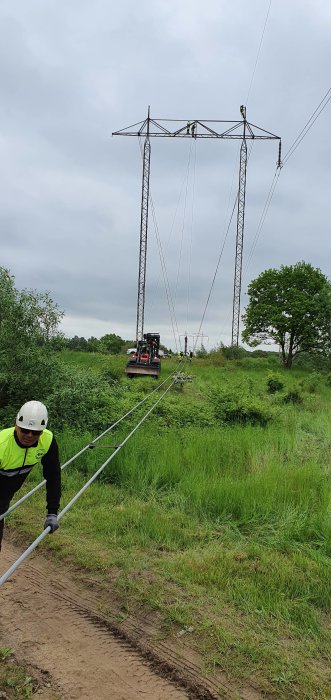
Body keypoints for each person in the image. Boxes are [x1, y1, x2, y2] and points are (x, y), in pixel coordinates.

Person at [0, 401, 61, 552]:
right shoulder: (1, 444)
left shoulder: (47, 441)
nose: (29, 435)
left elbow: (53, 477)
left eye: (35, 432)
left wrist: (52, 512)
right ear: (16, 425)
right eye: (25, 430)